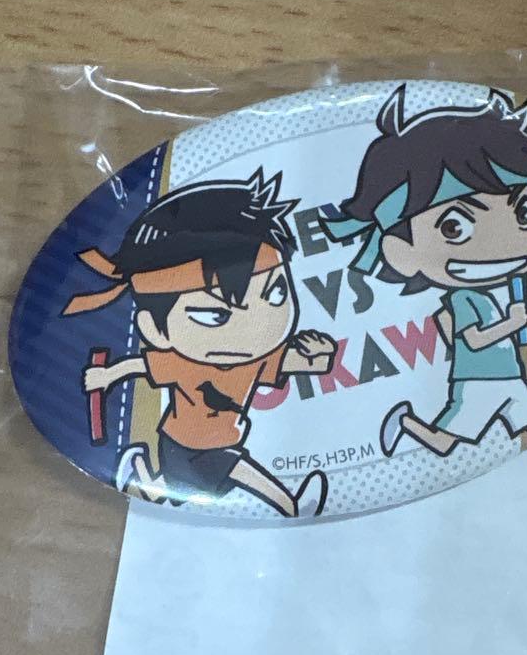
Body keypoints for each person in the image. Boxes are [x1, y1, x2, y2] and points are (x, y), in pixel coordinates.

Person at [64, 171, 336, 517]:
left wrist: (321, 353)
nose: (251, 326)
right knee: (242, 473)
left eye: (276, 292)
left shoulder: (255, 358)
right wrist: (106, 376)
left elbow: (301, 363)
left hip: (217, 442)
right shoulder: (185, 363)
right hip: (186, 445)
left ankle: (140, 472)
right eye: (214, 315)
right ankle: (291, 505)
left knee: (177, 495)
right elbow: (140, 365)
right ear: (155, 330)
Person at [322, 86, 527, 457]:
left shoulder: (498, 290)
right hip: (477, 383)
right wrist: (512, 324)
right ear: (402, 252)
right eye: (454, 227)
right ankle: (405, 422)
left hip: (510, 377)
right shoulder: (463, 297)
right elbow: (474, 340)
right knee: (444, 442)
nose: (506, 243)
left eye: (524, 212)